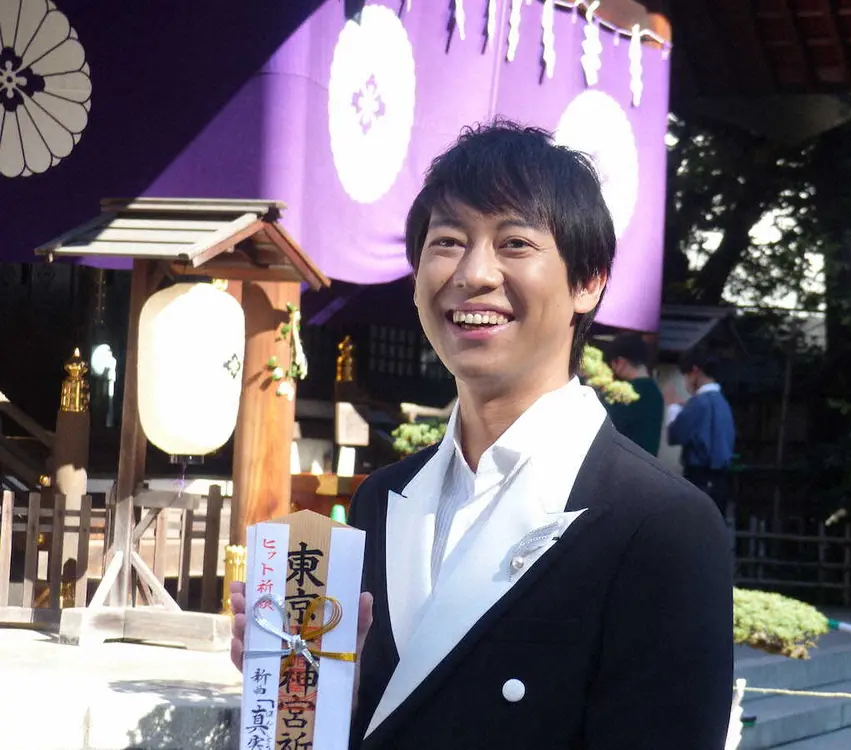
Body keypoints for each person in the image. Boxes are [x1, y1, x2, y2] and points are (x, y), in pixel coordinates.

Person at [230, 120, 733, 749]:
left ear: (588, 282)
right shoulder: (382, 500)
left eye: (515, 243)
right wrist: (317, 699)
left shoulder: (660, 522)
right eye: (447, 241)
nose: (474, 273)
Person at [665, 349, 736, 516]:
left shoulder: (699, 402)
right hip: (720, 480)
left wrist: (672, 407)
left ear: (695, 371)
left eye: (686, 375)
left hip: (700, 479)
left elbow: (675, 435)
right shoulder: (721, 402)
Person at [603, 332, 665, 456]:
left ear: (620, 362)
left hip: (623, 461)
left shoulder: (624, 392)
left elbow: (606, 429)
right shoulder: (656, 392)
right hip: (649, 462)